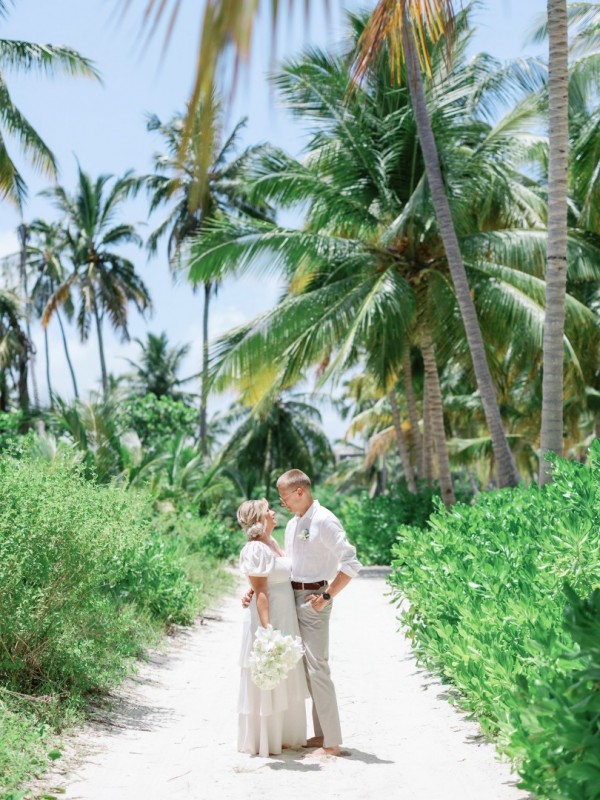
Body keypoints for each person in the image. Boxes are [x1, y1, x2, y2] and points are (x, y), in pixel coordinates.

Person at [246, 469, 362, 757]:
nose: (282, 504)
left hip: (314, 597)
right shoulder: (293, 525)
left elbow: (351, 563)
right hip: (289, 597)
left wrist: (327, 595)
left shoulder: (324, 520)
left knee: (317, 667)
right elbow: (286, 565)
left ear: (300, 491)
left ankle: (332, 742)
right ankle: (321, 734)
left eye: (284, 497)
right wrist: (256, 586)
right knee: (303, 671)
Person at [237, 498, 310, 758]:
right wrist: (267, 628)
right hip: (270, 616)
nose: (273, 512)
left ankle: (286, 735)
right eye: (268, 509)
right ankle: (266, 739)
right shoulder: (255, 549)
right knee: (270, 666)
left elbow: (268, 577)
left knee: (285, 669)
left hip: (285, 613)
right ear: (259, 518)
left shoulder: (272, 543)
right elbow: (262, 591)